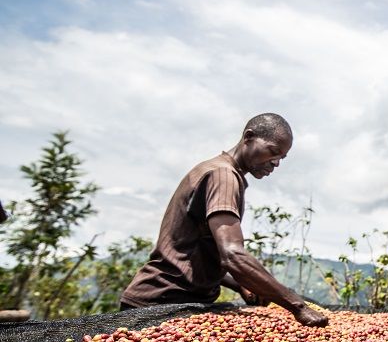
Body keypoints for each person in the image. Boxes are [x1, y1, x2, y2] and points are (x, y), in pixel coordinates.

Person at [121, 113, 328, 327]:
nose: (275, 163)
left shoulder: (216, 170)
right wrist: (297, 306)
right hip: (161, 305)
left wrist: (239, 285)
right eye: (273, 151)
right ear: (248, 137)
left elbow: (190, 251)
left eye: (281, 158)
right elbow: (233, 255)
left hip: (173, 302)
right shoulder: (223, 176)